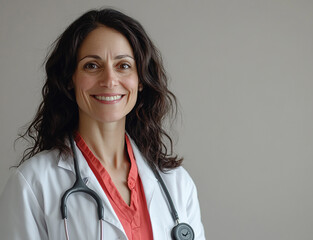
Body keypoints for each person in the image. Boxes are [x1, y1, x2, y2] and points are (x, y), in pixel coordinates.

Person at [0, 8, 205, 240]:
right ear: (71, 79)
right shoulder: (33, 184)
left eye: (124, 66)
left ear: (140, 81)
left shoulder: (177, 183)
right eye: (92, 66)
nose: (109, 80)